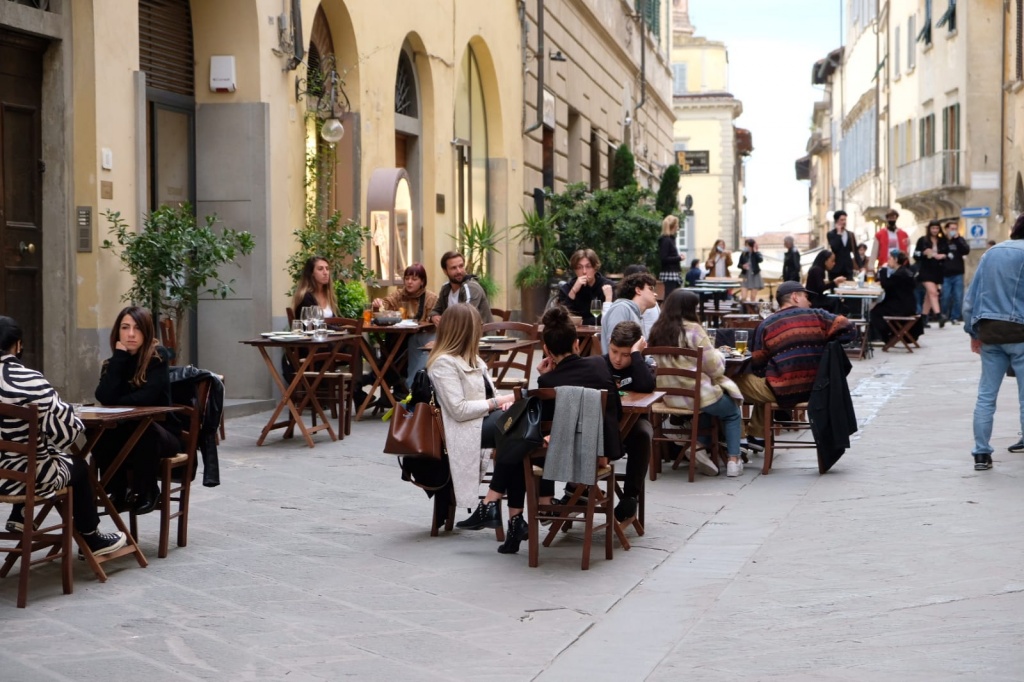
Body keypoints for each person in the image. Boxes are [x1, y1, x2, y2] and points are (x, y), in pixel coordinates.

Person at [465, 306, 625, 554]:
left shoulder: (548, 382)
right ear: (576, 343)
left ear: (547, 350)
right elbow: (617, 412)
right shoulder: (599, 366)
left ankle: (502, 505)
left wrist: (541, 380)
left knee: (518, 442)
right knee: (520, 444)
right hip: (599, 454)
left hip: (561, 456)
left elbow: (545, 429)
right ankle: (516, 516)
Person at [0, 317, 127, 557]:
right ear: (18, 345)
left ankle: (20, 515)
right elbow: (67, 434)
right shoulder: (30, 380)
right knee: (78, 466)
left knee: (34, 452)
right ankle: (91, 537)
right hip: (28, 477)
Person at [733, 281, 856, 448]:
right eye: (806, 297)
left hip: (785, 393)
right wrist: (828, 344)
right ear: (795, 297)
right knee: (769, 380)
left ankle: (736, 439)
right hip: (818, 389)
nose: (810, 302)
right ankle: (758, 436)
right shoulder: (819, 316)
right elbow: (849, 329)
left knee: (730, 380)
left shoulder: (767, 324)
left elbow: (758, 363)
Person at [428, 304, 515, 536]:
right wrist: (499, 403)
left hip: (483, 421)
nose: (481, 332)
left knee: (517, 433)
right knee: (516, 432)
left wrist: (503, 402)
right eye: (478, 328)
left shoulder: (474, 359)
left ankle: (497, 509)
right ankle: (510, 511)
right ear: (465, 331)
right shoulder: (442, 363)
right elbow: (458, 410)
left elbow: (489, 395)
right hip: (464, 428)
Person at [94, 306, 184, 515]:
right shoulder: (114, 362)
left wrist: (116, 401)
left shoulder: (157, 357)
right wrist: (119, 358)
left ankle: (148, 491)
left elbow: (146, 399)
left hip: (162, 433)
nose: (131, 334)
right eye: (125, 328)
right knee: (96, 431)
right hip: (127, 431)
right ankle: (118, 490)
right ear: (118, 332)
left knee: (145, 431)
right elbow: (103, 396)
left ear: (147, 331)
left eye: (137, 328)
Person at [649, 290, 746, 477]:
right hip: (697, 396)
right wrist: (718, 354)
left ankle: (699, 447)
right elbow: (715, 368)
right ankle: (734, 460)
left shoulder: (657, 330)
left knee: (706, 406)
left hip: (669, 397)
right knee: (732, 411)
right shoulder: (694, 330)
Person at [963, 213, 1024, 470]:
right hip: (1021, 332)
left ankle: (981, 453)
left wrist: (972, 332)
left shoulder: (991, 254)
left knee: (986, 395)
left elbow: (970, 299)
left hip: (989, 331)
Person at [603, 320, 654, 518]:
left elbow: (647, 386)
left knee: (643, 433)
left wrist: (636, 355)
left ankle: (630, 496)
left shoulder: (640, 365)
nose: (617, 359)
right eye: (614, 351)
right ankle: (577, 492)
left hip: (633, 423)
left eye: (625, 355)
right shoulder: (601, 363)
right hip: (606, 424)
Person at [373, 262, 439, 387]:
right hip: (397, 339)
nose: (409, 282)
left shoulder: (431, 298)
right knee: (390, 343)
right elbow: (386, 303)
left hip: (420, 339)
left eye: (414, 279)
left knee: (394, 356)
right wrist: (378, 303)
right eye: (407, 278)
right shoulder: (398, 294)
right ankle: (389, 383)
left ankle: (378, 378)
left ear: (422, 281)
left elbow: (436, 319)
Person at [869, 250, 924, 343]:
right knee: (878, 308)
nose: (888, 260)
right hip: (907, 305)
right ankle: (885, 335)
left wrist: (883, 270)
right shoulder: (904, 272)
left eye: (890, 258)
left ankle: (884, 337)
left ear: (896, 260)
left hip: (901, 308)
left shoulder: (900, 274)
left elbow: (887, 285)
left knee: (875, 312)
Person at [428, 251, 493, 327]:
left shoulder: (471, 287)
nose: (459, 271)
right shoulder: (446, 289)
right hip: (454, 334)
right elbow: (435, 311)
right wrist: (433, 317)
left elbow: (466, 317)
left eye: (461, 266)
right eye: (453, 268)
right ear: (445, 271)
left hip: (478, 336)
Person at [600, 271, 658, 354]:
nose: (655, 294)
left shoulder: (634, 313)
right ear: (638, 290)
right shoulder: (621, 309)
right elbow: (615, 347)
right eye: (651, 289)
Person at [557, 249, 615, 325]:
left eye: (588, 266)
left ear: (595, 268)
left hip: (600, 333)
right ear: (575, 270)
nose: (584, 271)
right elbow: (562, 318)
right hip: (573, 333)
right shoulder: (567, 288)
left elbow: (611, 316)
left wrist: (583, 322)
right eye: (579, 267)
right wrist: (573, 291)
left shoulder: (607, 286)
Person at [913, 220, 949, 327]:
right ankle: (939, 315)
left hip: (937, 270)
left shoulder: (942, 241)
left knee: (929, 296)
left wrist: (943, 256)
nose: (935, 230)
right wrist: (924, 253)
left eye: (937, 228)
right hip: (925, 270)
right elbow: (916, 255)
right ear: (929, 229)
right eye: (933, 228)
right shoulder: (922, 240)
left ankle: (923, 319)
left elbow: (948, 253)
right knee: (934, 292)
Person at [941, 220, 970, 326]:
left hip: (958, 272)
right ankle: (943, 315)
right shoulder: (942, 241)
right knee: (946, 296)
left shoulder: (959, 240)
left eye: (955, 229)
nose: (953, 231)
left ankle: (955, 317)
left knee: (958, 296)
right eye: (951, 229)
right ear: (946, 229)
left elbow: (966, 250)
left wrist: (957, 239)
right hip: (945, 273)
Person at [826, 210, 858, 280]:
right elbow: (835, 248)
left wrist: (861, 266)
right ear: (836, 221)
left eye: (845, 220)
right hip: (835, 270)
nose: (844, 222)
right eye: (841, 220)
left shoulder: (850, 234)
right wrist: (839, 234)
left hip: (848, 270)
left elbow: (855, 251)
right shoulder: (831, 234)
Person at [658, 215, 683, 297]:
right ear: (674, 226)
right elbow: (664, 258)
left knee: (674, 296)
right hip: (669, 273)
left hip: (673, 273)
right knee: (670, 297)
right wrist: (679, 258)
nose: (678, 227)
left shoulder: (670, 239)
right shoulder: (666, 240)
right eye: (677, 224)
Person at [737, 238, 764, 303]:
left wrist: (755, 251)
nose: (746, 247)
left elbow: (760, 260)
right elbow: (739, 265)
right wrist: (743, 266)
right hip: (745, 276)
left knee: (753, 298)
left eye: (748, 245)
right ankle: (744, 310)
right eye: (745, 245)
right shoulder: (743, 254)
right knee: (743, 297)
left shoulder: (757, 253)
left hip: (754, 275)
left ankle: (751, 312)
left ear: (751, 246)